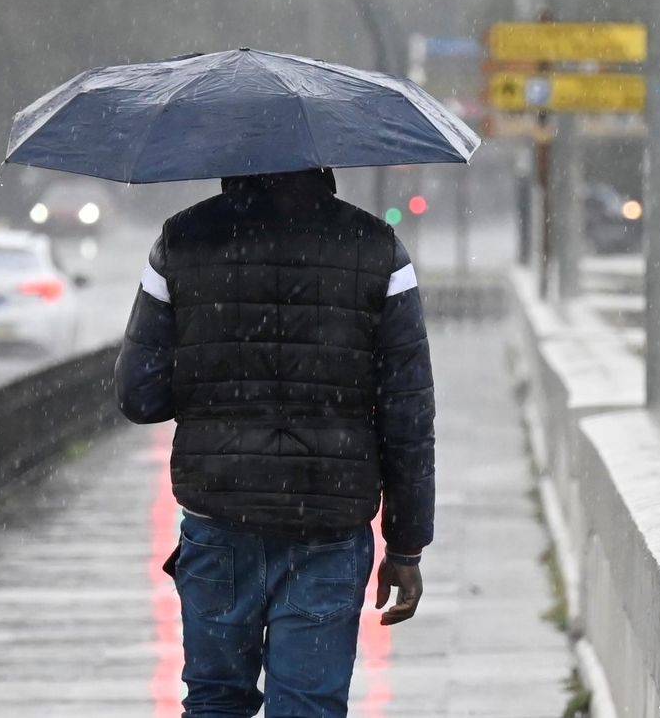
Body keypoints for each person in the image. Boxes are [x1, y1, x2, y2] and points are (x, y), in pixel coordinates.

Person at [116, 168, 436, 718]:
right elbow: (408, 415)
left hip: (219, 525)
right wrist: (405, 546)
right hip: (329, 529)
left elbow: (139, 396)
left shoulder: (181, 240)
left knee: (216, 702)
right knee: (308, 707)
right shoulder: (377, 249)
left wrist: (217, 378)